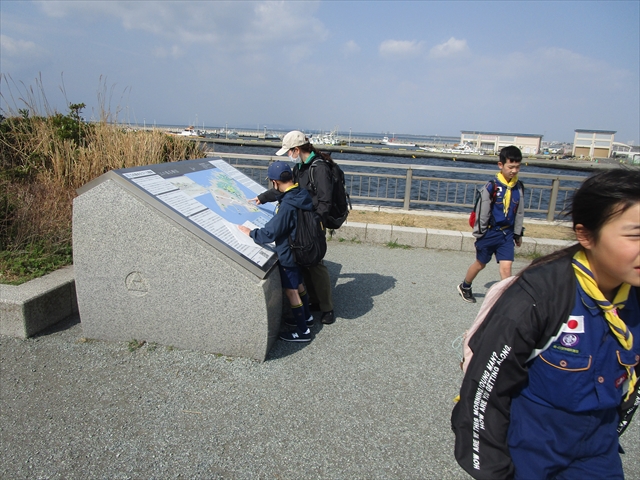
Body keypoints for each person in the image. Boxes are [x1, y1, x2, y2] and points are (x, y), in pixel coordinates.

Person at [451, 168, 640, 479]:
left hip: (598, 452)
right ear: (586, 235)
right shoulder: (539, 296)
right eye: (634, 234)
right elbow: (483, 393)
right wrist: (495, 472)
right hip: (530, 452)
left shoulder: (633, 297)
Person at [250, 130, 335, 325]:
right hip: (301, 221)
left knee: (316, 264)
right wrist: (263, 197)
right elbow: (287, 190)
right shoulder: (300, 168)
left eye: (289, 151)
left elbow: (325, 201)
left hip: (312, 223)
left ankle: (327, 307)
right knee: (303, 262)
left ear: (296, 149)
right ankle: (312, 301)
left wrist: (314, 223)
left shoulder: (318, 168)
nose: (289, 155)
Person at [238, 161, 314, 342]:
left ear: (275, 182)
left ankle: (303, 332)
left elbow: (272, 232)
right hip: (302, 248)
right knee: (300, 284)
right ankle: (307, 317)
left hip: (290, 252)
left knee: (291, 291)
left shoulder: (287, 205)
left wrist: (251, 233)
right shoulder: (300, 193)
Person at [457, 145, 525, 303]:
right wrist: (480, 234)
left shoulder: (519, 187)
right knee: (480, 264)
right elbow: (483, 212)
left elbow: (519, 212)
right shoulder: (491, 187)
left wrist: (518, 233)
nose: (514, 171)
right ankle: (465, 286)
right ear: (501, 165)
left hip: (506, 234)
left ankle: (504, 300)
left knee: (506, 267)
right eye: (511, 167)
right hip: (489, 232)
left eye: (517, 167)